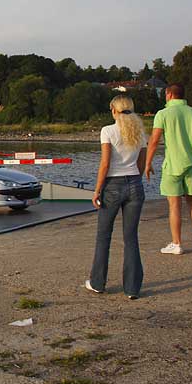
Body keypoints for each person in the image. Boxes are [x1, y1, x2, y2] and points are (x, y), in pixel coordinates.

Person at [86, 95, 147, 299]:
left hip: (113, 185)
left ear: (113, 109)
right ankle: (132, 288)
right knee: (131, 237)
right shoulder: (139, 131)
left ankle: (98, 282)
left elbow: (105, 163)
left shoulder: (108, 131)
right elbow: (142, 163)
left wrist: (97, 190)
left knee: (104, 236)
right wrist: (135, 180)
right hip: (135, 184)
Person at [144, 84, 192, 255]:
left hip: (173, 165)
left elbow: (154, 141)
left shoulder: (163, 114)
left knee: (174, 205)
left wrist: (148, 163)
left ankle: (177, 244)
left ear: (168, 95)